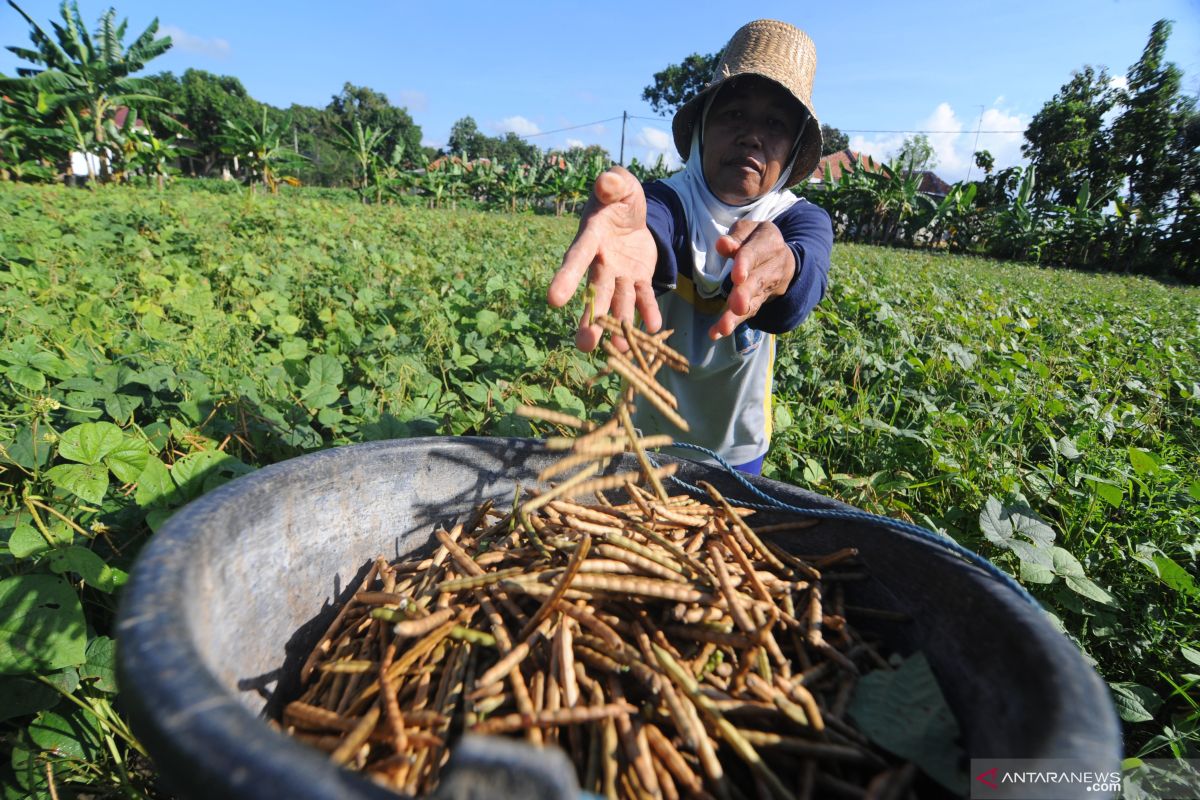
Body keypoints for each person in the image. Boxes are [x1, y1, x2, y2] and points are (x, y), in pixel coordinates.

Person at [548, 19, 833, 475]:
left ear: (794, 146)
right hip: (647, 438)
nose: (751, 135)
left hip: (737, 448)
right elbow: (655, 227)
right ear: (702, 126)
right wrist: (637, 234)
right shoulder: (667, 200)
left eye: (775, 123)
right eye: (733, 114)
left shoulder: (798, 219)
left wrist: (785, 268)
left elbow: (804, 280)